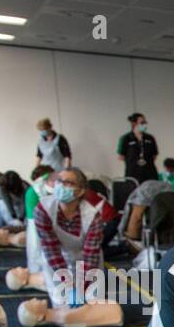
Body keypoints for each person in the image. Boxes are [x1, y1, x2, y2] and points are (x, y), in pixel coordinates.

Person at [34, 167, 116, 308]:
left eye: (68, 183)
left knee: (93, 303)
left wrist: (82, 287)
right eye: (59, 181)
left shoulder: (92, 216)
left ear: (81, 190)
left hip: (86, 259)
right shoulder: (43, 209)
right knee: (62, 305)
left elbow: (91, 254)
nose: (61, 185)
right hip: (57, 259)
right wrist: (68, 283)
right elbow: (51, 249)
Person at [117, 112, 158, 183]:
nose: (145, 124)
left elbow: (154, 155)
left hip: (150, 173)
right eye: (142, 123)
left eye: (145, 122)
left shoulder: (150, 138)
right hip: (133, 174)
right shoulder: (126, 138)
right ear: (134, 123)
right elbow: (121, 156)